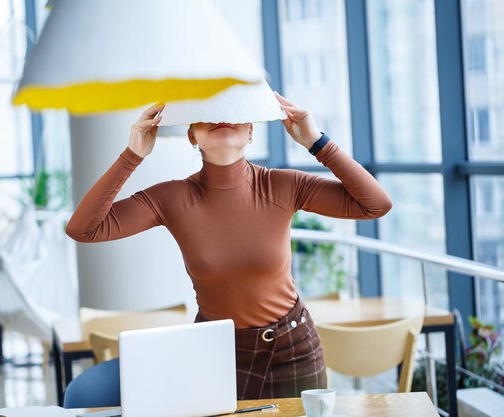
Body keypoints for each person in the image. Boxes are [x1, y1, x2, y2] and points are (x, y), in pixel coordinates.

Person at [65, 91, 392, 400]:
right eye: (206, 112)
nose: (221, 117)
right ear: (191, 135)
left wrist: (316, 142)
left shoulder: (284, 185)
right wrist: (132, 155)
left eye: (233, 109)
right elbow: (84, 229)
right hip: (215, 351)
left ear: (251, 129)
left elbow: (375, 205)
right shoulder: (172, 198)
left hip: (293, 350)